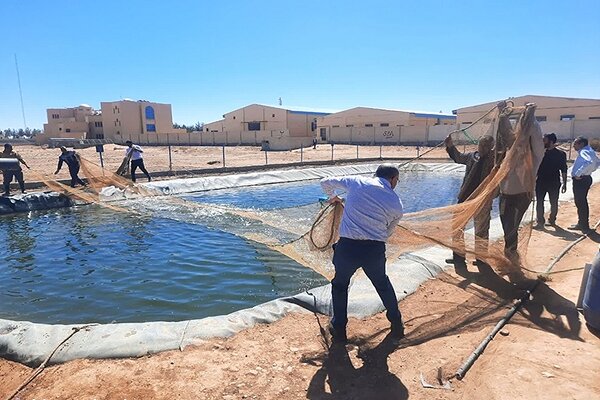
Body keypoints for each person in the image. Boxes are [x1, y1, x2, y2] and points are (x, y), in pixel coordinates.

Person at [320, 164, 405, 342]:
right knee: (382, 284)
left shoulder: (357, 182)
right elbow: (387, 233)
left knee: (340, 285)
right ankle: (396, 323)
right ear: (392, 179)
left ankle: (340, 328)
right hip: (374, 250)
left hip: (347, 248)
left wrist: (334, 198)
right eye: (397, 180)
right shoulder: (396, 204)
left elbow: (325, 182)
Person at [497, 103, 545, 259]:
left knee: (512, 227)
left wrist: (530, 115)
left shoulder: (535, 156)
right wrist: (502, 112)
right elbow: (506, 135)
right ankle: (509, 250)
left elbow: (534, 134)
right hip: (505, 195)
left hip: (522, 195)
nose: (519, 143)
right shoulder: (510, 152)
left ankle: (511, 253)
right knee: (507, 226)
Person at [444, 134, 495, 267]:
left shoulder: (493, 159)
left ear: (491, 147)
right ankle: (459, 257)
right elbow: (458, 157)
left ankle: (481, 259)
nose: (483, 147)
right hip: (465, 198)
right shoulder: (472, 156)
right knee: (457, 227)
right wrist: (450, 146)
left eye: (486, 145)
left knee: (481, 231)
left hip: (482, 200)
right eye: (481, 144)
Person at [534, 133, 567, 228]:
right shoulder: (541, 154)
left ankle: (552, 219)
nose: (543, 142)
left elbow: (564, 169)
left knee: (554, 202)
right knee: (539, 202)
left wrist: (564, 184)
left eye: (544, 140)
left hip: (554, 182)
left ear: (551, 141)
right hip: (540, 182)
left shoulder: (560, 154)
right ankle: (540, 222)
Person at [568, 136, 599, 233]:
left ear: (581, 144)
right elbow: (597, 163)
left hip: (581, 180)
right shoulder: (590, 150)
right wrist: (589, 171)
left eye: (576, 143)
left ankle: (583, 224)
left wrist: (578, 174)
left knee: (580, 202)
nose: (574, 145)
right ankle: (582, 223)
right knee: (582, 202)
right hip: (586, 178)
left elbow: (589, 162)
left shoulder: (584, 152)